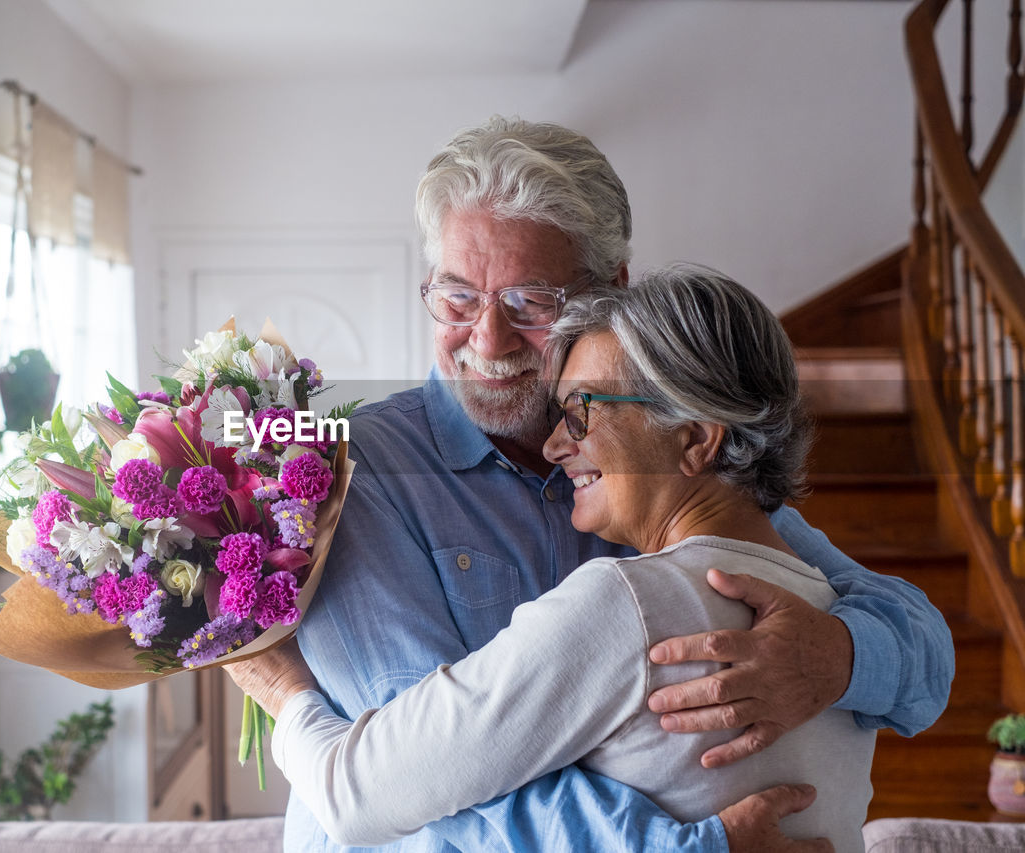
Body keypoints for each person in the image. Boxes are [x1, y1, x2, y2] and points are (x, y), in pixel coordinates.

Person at [273, 116, 953, 852]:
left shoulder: (678, 478)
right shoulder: (356, 468)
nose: (488, 340)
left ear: (610, 293)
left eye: (530, 303)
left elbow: (916, 640)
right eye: (458, 298)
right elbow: (413, 784)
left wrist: (841, 655)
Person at [229, 265, 877, 853]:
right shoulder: (828, 616)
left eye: (584, 409)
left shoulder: (628, 605)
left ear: (694, 439)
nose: (559, 442)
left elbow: (360, 796)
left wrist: (282, 688)